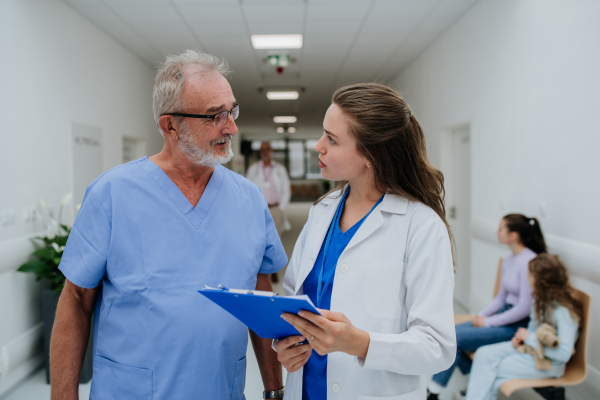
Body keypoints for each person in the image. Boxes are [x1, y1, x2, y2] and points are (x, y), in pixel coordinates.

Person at [50, 50, 288, 400]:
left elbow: (260, 298)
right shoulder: (112, 194)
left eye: (232, 111)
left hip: (221, 389)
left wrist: (274, 390)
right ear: (170, 125)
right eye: (214, 116)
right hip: (132, 391)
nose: (231, 127)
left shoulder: (249, 199)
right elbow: (75, 299)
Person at [274, 83, 457, 400]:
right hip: (305, 390)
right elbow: (294, 301)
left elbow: (437, 347)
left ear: (371, 155)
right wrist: (285, 344)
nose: (318, 146)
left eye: (332, 140)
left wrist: (358, 343)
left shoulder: (421, 226)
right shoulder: (321, 214)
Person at [428, 214, 547, 400]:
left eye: (501, 229)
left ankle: (432, 393)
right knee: (449, 334)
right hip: (503, 315)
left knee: (455, 339)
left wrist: (489, 322)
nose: (497, 232)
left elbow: (524, 308)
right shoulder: (509, 260)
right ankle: (473, 383)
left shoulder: (530, 262)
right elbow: (500, 298)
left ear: (513, 235)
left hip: (517, 325)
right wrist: (480, 316)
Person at [465, 254, 582, 400]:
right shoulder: (539, 301)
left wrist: (529, 338)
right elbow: (533, 328)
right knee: (483, 354)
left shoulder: (563, 312)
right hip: (530, 351)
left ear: (540, 282)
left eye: (530, 276)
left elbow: (563, 354)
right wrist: (521, 339)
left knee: (489, 371)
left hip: (549, 364)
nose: (527, 280)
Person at [247, 141, 292, 282]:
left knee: (275, 239)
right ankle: (261, 269)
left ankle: (274, 270)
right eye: (262, 149)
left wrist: (281, 208)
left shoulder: (280, 169)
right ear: (260, 152)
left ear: (271, 151)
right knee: (260, 238)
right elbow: (248, 189)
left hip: (275, 208)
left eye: (267, 149)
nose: (265, 152)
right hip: (259, 209)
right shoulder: (253, 169)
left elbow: (286, 189)